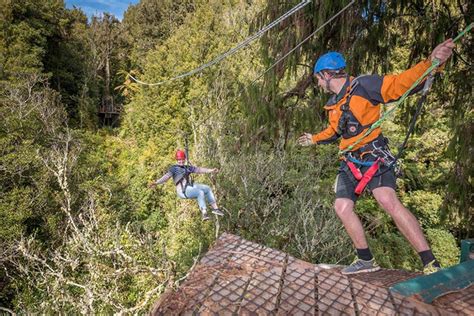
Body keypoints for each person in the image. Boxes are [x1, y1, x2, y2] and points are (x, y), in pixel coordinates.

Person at [298, 39, 454, 274]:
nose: (318, 83)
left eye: (318, 78)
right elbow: (334, 132)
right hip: (350, 160)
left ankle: (430, 262)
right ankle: (365, 260)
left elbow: (399, 84)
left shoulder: (364, 86)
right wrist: (314, 139)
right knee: (341, 207)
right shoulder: (333, 104)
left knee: (387, 200)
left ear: (327, 74)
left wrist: (431, 63)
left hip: (373, 154)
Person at [149, 150, 224, 221]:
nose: (181, 161)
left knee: (207, 188)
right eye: (179, 159)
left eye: (182, 159)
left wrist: (211, 170)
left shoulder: (187, 167)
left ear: (184, 159)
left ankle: (215, 209)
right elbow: (166, 177)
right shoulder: (174, 168)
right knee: (200, 192)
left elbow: (199, 170)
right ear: (177, 160)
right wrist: (156, 182)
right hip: (182, 191)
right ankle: (204, 213)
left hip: (190, 187)